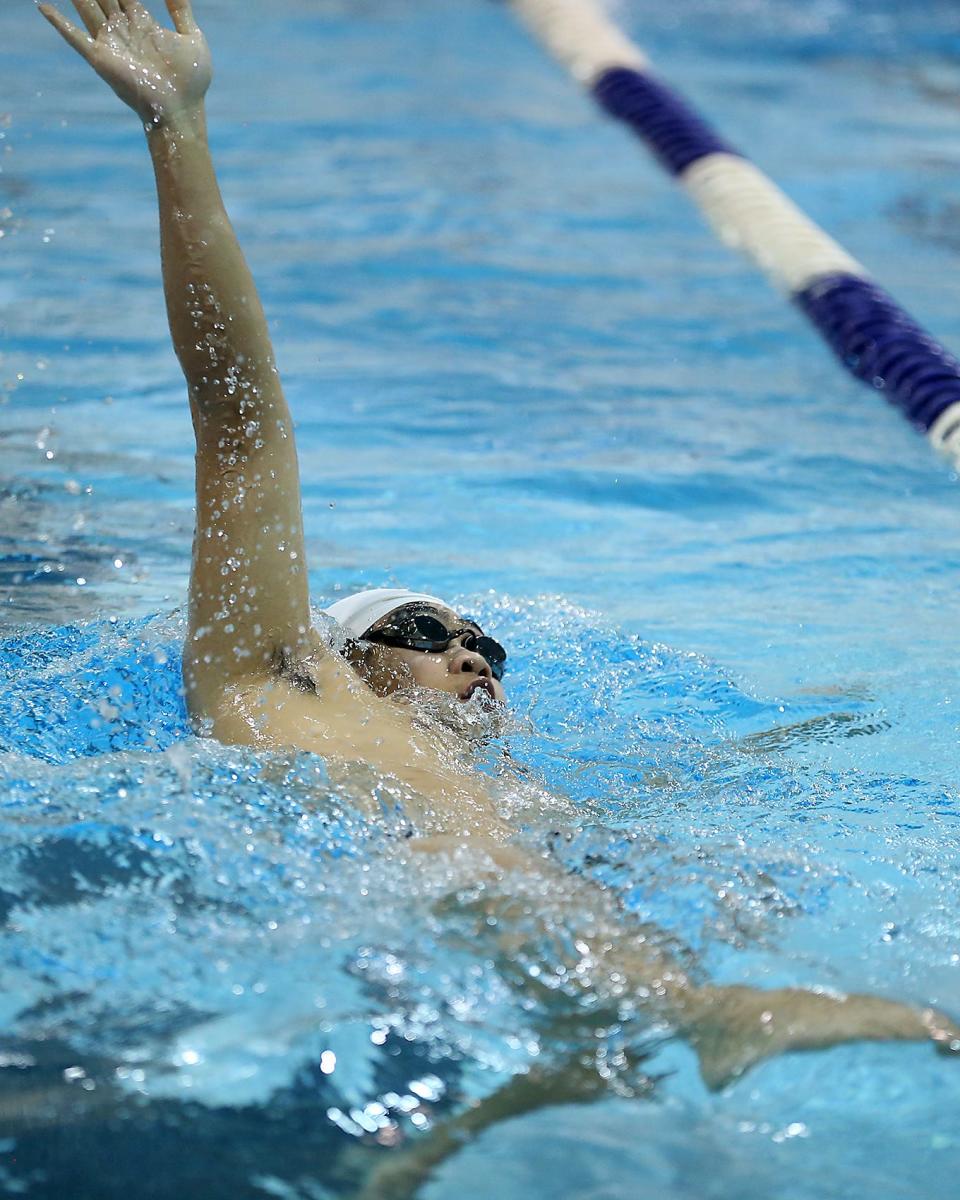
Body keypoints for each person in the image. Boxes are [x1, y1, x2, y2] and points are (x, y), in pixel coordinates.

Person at [39, 0, 959, 1149]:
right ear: (345, 656)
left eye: (485, 644)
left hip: (494, 941)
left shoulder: (522, 793)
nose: (470, 652)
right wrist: (177, 131)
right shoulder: (277, 689)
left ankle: (593, 1048)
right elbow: (240, 419)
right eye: (426, 630)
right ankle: (705, 1016)